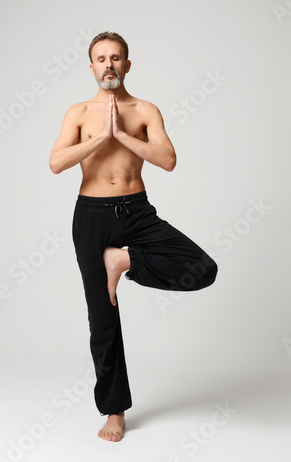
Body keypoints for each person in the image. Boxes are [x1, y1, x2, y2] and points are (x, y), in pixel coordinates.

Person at [49, 31, 218, 442]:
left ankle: (122, 261)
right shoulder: (77, 112)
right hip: (91, 216)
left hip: (137, 210)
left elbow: (168, 160)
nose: (108, 64)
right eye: (101, 58)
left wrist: (122, 135)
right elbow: (55, 163)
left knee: (202, 269)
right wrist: (98, 139)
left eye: (116, 57)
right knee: (102, 316)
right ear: (91, 67)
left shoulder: (145, 110)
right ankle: (115, 411)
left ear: (127, 64)